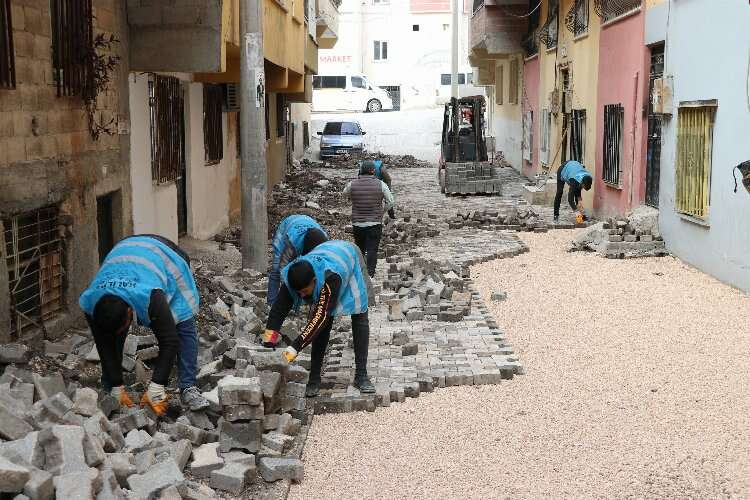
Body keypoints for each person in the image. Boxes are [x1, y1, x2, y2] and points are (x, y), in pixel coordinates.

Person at [79, 234, 209, 416]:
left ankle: (188, 386)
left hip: (168, 256)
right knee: (109, 334)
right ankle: (112, 387)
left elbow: (170, 341)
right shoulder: (90, 301)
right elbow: (103, 341)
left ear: (130, 312)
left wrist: (157, 387)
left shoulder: (150, 296)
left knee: (182, 323)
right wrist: (117, 386)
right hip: (125, 250)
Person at [263, 240, 375, 398]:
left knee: (359, 314)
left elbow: (320, 318)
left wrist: (293, 349)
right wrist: (268, 345)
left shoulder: (330, 278)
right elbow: (277, 312)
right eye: (298, 293)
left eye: (305, 291)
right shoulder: (292, 278)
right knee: (322, 325)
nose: (302, 296)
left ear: (314, 281)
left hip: (349, 258)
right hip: (327, 252)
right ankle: (314, 379)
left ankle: (361, 375)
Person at [344, 161, 395, 278]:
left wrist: (354, 198)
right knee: (372, 249)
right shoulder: (381, 184)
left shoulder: (352, 184)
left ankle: (360, 273)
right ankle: (370, 274)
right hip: (375, 223)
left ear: (361, 171)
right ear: (373, 171)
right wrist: (382, 211)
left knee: (360, 248)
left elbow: (344, 193)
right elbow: (391, 201)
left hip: (358, 223)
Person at [267, 215, 328, 305]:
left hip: (306, 222)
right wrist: (293, 290)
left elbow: (322, 270)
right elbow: (283, 268)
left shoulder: (324, 243)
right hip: (286, 229)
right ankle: (271, 302)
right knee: (276, 269)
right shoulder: (292, 243)